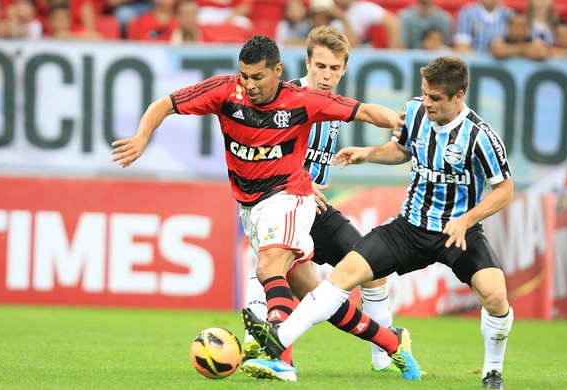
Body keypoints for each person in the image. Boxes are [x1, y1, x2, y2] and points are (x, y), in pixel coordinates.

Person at [111, 34, 419, 383]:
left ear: (277, 70)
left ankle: (280, 359)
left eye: (258, 77)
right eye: (244, 76)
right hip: (252, 206)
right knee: (308, 292)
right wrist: (141, 137)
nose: (250, 84)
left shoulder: (302, 101)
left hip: (289, 197)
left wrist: (401, 123)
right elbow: (163, 104)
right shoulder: (226, 92)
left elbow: (365, 111)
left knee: (269, 266)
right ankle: (392, 341)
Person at [242, 55, 515, 390]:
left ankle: (492, 372)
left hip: (457, 232)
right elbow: (402, 150)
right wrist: (367, 153)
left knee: (496, 296)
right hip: (409, 227)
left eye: (435, 98)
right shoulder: (415, 112)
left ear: (459, 97)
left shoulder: (480, 136)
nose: (426, 102)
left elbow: (504, 190)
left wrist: (466, 220)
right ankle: (278, 344)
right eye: (425, 93)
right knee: (343, 276)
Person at [241, 25, 405, 379]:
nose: (326, 75)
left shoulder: (334, 105)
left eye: (334, 68)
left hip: (317, 210)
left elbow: (366, 113)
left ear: (344, 68)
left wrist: (397, 123)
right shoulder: (285, 97)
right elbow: (263, 146)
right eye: (320, 66)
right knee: (282, 277)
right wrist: (298, 179)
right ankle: (266, 351)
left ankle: (387, 353)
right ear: (308, 63)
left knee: (372, 266)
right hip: (282, 202)